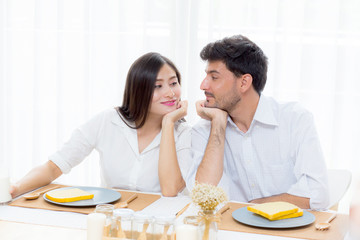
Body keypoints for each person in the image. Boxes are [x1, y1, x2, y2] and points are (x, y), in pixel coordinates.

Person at [11, 52, 191, 198]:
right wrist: (15, 189)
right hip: (112, 220)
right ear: (138, 90)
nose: (170, 93)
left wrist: (168, 124)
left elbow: (170, 190)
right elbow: (53, 167)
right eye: (157, 86)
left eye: (173, 83)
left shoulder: (183, 134)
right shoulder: (108, 121)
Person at [186, 35, 329, 210]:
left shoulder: (295, 119)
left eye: (214, 77)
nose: (203, 85)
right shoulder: (204, 129)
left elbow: (317, 195)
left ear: (244, 82)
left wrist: (254, 206)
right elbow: (203, 197)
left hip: (286, 231)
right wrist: (218, 123)